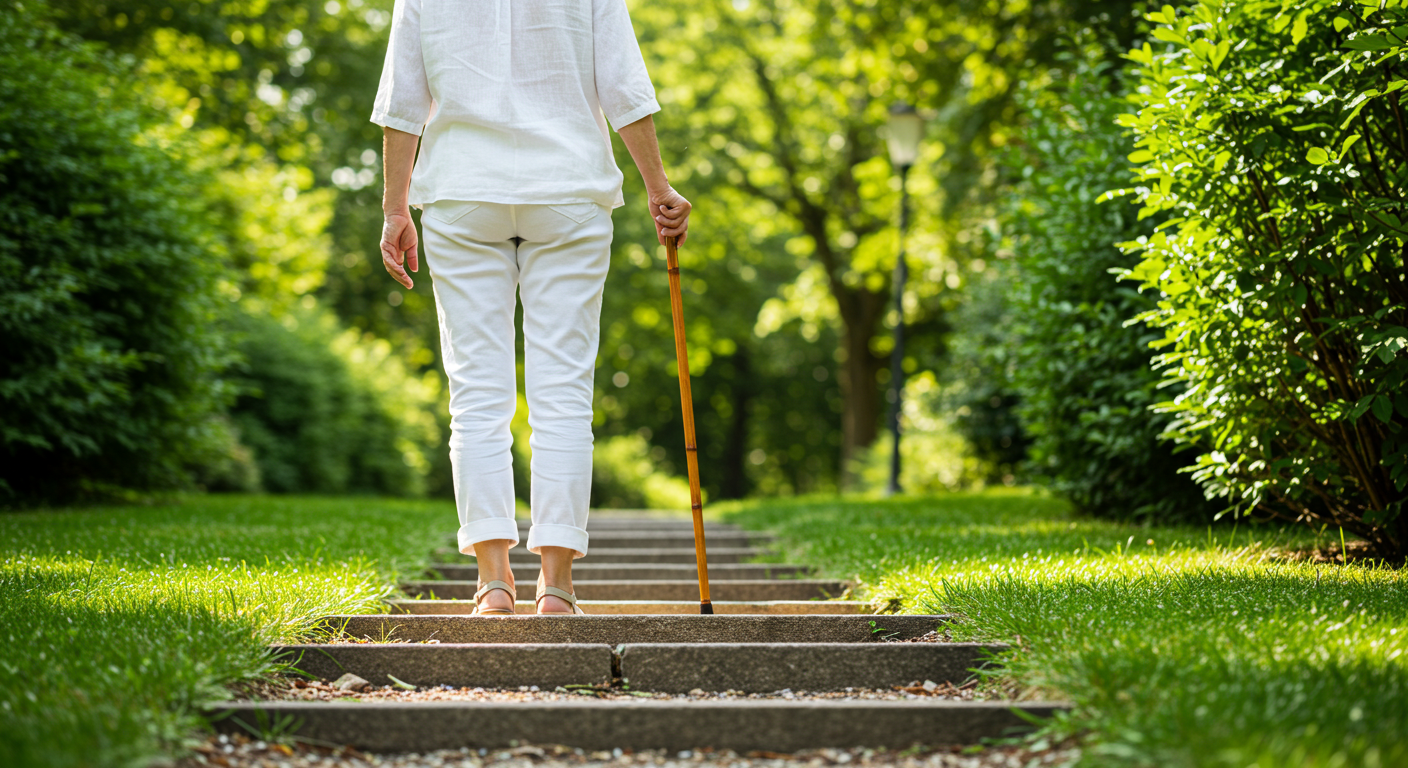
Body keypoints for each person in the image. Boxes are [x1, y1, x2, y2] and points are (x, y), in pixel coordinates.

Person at [371, 0, 691, 616]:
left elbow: (401, 102)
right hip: (567, 189)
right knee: (564, 391)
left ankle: (494, 584)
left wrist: (394, 208)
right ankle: (557, 587)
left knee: (475, 393)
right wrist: (658, 188)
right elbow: (624, 87)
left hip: (463, 191)